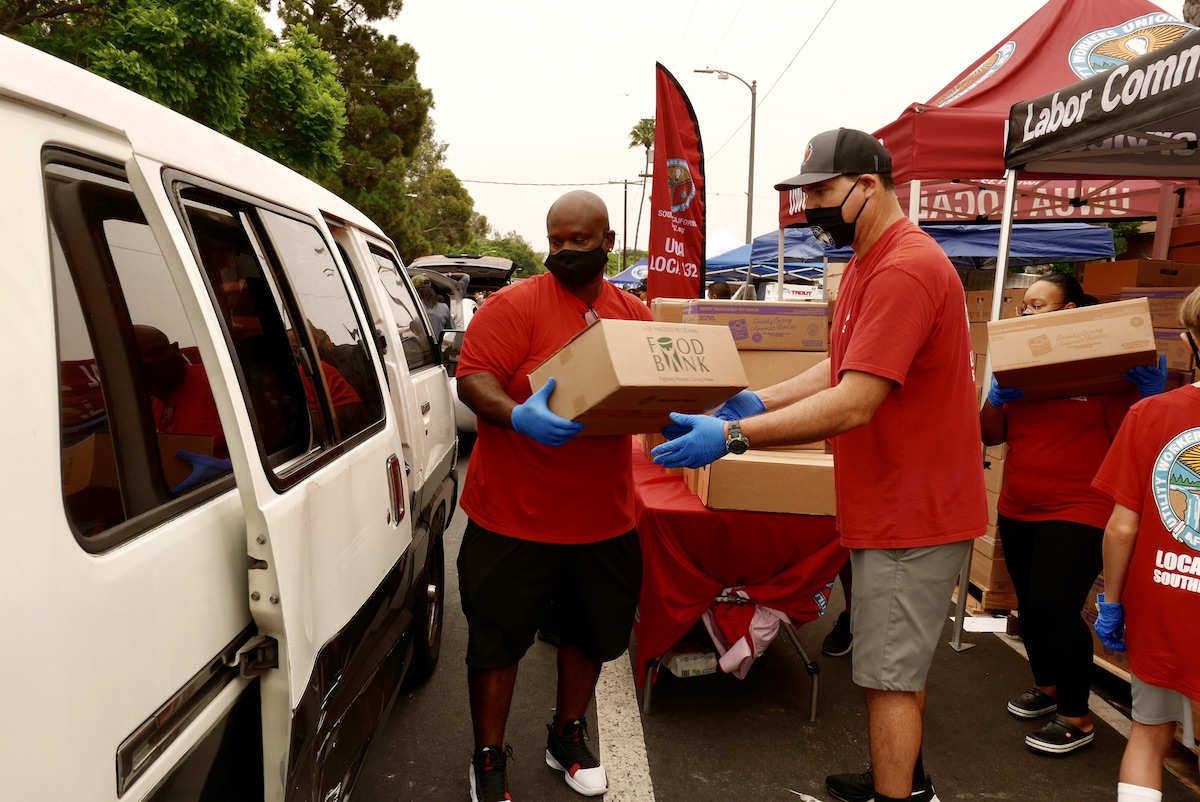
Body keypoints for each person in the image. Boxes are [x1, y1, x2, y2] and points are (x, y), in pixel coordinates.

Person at [651, 128, 986, 802]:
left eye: (822, 192)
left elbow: (854, 402)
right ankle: (904, 778)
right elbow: (841, 365)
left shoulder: (903, 268)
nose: (810, 209)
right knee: (895, 663)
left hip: (910, 511)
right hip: (893, 502)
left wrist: (735, 437)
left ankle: (897, 791)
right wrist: (750, 400)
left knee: (887, 678)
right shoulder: (869, 261)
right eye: (803, 195)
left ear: (868, 186)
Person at [454, 190, 653, 802]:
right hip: (514, 517)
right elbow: (474, 380)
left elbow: (652, 389)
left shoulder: (633, 315)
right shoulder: (513, 307)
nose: (563, 252)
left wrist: (693, 422)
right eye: (556, 240)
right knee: (496, 640)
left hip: (601, 518)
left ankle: (566, 734)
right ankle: (488, 755)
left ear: (607, 242)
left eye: (579, 241)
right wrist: (516, 416)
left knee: (590, 635)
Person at [980, 274, 1166, 756]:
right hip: (1019, 503)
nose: (1027, 315)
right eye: (1024, 307)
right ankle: (1048, 686)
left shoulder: (1105, 374)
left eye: (1038, 306)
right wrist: (995, 399)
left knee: (1054, 605)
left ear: (1070, 312)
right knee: (1029, 604)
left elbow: (1137, 441)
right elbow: (990, 435)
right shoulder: (1020, 369)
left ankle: (1077, 715)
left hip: (1082, 505)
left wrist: (1148, 397)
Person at [1091, 285, 1200, 802]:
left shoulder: (1151, 415)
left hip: (1162, 601)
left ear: (1190, 341)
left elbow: (1121, 527)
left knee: (1149, 735)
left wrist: (1111, 603)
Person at [133, 324, 231, 491]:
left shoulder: (212, 380)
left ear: (175, 350)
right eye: (139, 362)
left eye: (155, 354)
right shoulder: (150, 406)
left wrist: (229, 468)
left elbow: (264, 441)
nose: (149, 364)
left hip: (229, 489)